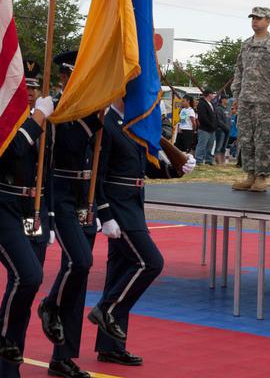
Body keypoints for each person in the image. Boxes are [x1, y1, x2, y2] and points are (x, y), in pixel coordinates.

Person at [88, 97, 196, 366]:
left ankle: (110, 346)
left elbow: (146, 167)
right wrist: (104, 213)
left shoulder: (135, 125)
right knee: (150, 262)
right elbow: (97, 175)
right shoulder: (107, 124)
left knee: (118, 272)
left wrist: (175, 169)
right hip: (118, 207)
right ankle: (107, 309)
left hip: (134, 204)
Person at [0, 61, 55, 377]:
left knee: (24, 289)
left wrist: (49, 215)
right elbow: (13, 151)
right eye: (22, 87)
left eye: (33, 88)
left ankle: (8, 368)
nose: (28, 93)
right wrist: (38, 117)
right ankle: (1, 332)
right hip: (5, 205)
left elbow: (48, 172)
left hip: (34, 210)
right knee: (28, 276)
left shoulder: (45, 122)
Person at [40, 51, 101, 378]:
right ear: (64, 77)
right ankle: (49, 305)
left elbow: (100, 162)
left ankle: (63, 356)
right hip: (60, 195)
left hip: (86, 198)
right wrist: (44, 211)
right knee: (79, 262)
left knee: (78, 280)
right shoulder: (55, 110)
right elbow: (43, 164)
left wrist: (101, 206)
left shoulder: (96, 110)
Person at [231, 6, 270, 191]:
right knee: (246, 139)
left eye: (259, 18)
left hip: (265, 103)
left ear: (268, 21)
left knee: (263, 140)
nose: (254, 21)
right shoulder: (246, 45)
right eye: (253, 18)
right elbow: (239, 71)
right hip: (246, 101)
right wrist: (236, 95)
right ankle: (250, 174)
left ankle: (262, 177)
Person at [194, 89, 218, 165]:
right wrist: (210, 124)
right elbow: (202, 117)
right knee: (202, 145)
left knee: (210, 146)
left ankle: (208, 160)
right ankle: (199, 160)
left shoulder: (211, 103)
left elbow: (214, 115)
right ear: (208, 94)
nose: (213, 95)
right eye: (212, 93)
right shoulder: (202, 103)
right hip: (204, 128)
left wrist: (215, 125)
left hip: (212, 129)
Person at [213, 96, 231, 165]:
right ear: (222, 100)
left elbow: (229, 119)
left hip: (227, 130)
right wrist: (225, 127)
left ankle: (222, 161)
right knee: (219, 146)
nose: (227, 100)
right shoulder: (218, 108)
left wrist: (229, 128)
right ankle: (217, 161)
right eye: (226, 98)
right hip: (220, 130)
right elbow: (219, 120)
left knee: (224, 147)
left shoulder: (228, 109)